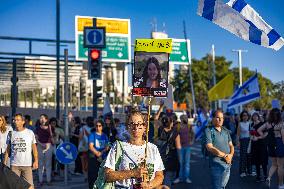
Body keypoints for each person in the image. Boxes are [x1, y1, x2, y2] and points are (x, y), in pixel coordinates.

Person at [104, 110, 169, 189]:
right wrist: (133, 173)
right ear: (127, 127)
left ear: (145, 127)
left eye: (139, 123)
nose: (136, 127)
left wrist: (149, 185)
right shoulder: (118, 147)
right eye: (132, 124)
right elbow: (108, 175)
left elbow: (159, 176)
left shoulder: (153, 148)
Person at [4, 113, 38, 189]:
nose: (15, 121)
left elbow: (34, 148)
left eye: (18, 120)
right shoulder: (11, 133)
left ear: (23, 121)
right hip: (14, 165)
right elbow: (8, 148)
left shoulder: (30, 133)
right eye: (14, 120)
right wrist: (5, 162)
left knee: (30, 186)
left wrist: (36, 160)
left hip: (27, 165)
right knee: (15, 186)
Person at [204, 109, 234, 189]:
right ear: (213, 118)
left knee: (222, 186)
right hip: (216, 165)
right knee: (217, 187)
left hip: (228, 164)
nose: (220, 120)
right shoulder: (208, 130)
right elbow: (209, 147)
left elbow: (231, 145)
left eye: (222, 118)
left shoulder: (225, 130)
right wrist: (225, 156)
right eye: (218, 117)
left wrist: (230, 155)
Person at [258, 108, 284, 188]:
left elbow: (259, 130)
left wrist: (263, 136)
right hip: (279, 144)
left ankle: (269, 177)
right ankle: (280, 184)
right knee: (280, 166)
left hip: (270, 145)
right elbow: (283, 137)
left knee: (274, 164)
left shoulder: (267, 123)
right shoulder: (281, 124)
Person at [173, 114, 195, 184]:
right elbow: (174, 135)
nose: (186, 119)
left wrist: (192, 141)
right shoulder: (178, 126)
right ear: (181, 119)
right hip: (180, 147)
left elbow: (193, 134)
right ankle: (179, 178)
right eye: (184, 118)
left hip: (187, 146)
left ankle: (186, 177)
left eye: (186, 118)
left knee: (187, 163)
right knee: (180, 163)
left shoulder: (189, 126)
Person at [88, 120, 109, 189]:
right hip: (93, 157)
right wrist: (97, 153)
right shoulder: (92, 135)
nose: (98, 127)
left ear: (102, 127)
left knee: (102, 174)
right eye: (96, 126)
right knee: (93, 175)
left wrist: (101, 153)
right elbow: (91, 146)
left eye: (99, 126)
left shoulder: (105, 135)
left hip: (103, 157)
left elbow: (107, 147)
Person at [34, 114, 54, 187]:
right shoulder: (37, 128)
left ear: (46, 119)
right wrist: (41, 144)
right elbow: (36, 138)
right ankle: (40, 180)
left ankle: (48, 180)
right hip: (40, 146)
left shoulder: (50, 127)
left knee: (48, 164)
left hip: (49, 146)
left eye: (42, 118)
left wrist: (48, 144)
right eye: (40, 118)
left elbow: (51, 136)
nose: (41, 119)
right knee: (40, 165)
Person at [249, 112, 268, 182]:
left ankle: (266, 176)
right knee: (256, 161)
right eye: (253, 116)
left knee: (263, 161)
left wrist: (258, 138)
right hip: (254, 145)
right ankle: (258, 176)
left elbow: (266, 134)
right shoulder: (251, 124)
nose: (254, 117)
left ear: (258, 117)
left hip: (262, 144)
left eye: (256, 116)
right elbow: (250, 133)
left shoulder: (262, 124)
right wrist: (251, 137)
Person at [237, 110, 252, 177]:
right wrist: (238, 142)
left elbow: (251, 133)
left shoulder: (250, 123)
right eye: (243, 115)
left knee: (249, 156)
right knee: (243, 156)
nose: (245, 117)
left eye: (246, 115)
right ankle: (242, 171)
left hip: (249, 141)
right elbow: (238, 134)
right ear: (242, 117)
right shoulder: (240, 124)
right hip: (243, 141)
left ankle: (249, 171)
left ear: (248, 116)